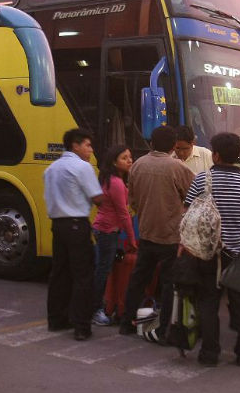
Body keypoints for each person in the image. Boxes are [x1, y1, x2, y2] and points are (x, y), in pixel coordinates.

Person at [182, 132, 240, 366]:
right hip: (239, 254)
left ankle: (209, 353)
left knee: (208, 303)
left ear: (216, 155)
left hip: (207, 253)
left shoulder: (203, 179)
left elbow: (188, 212)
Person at [119, 126, 194, 337]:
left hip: (146, 232)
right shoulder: (177, 167)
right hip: (171, 235)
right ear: (173, 146)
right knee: (169, 283)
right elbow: (193, 195)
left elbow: (131, 199)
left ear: (151, 143)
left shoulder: (137, 165)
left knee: (138, 279)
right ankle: (163, 329)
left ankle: (127, 322)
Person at [44, 128, 108, 340]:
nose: (90, 150)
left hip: (58, 226)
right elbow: (97, 198)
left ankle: (56, 319)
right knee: (83, 276)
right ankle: (82, 326)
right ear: (75, 145)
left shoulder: (51, 169)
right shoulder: (82, 167)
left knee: (59, 273)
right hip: (77, 225)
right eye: (87, 145)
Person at [90, 145, 135, 327]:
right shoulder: (115, 182)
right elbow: (123, 214)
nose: (129, 160)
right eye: (124, 158)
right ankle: (95, 309)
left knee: (107, 268)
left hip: (106, 230)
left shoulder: (112, 179)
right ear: (114, 162)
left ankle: (107, 305)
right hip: (107, 231)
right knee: (103, 270)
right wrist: (131, 238)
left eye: (130, 157)